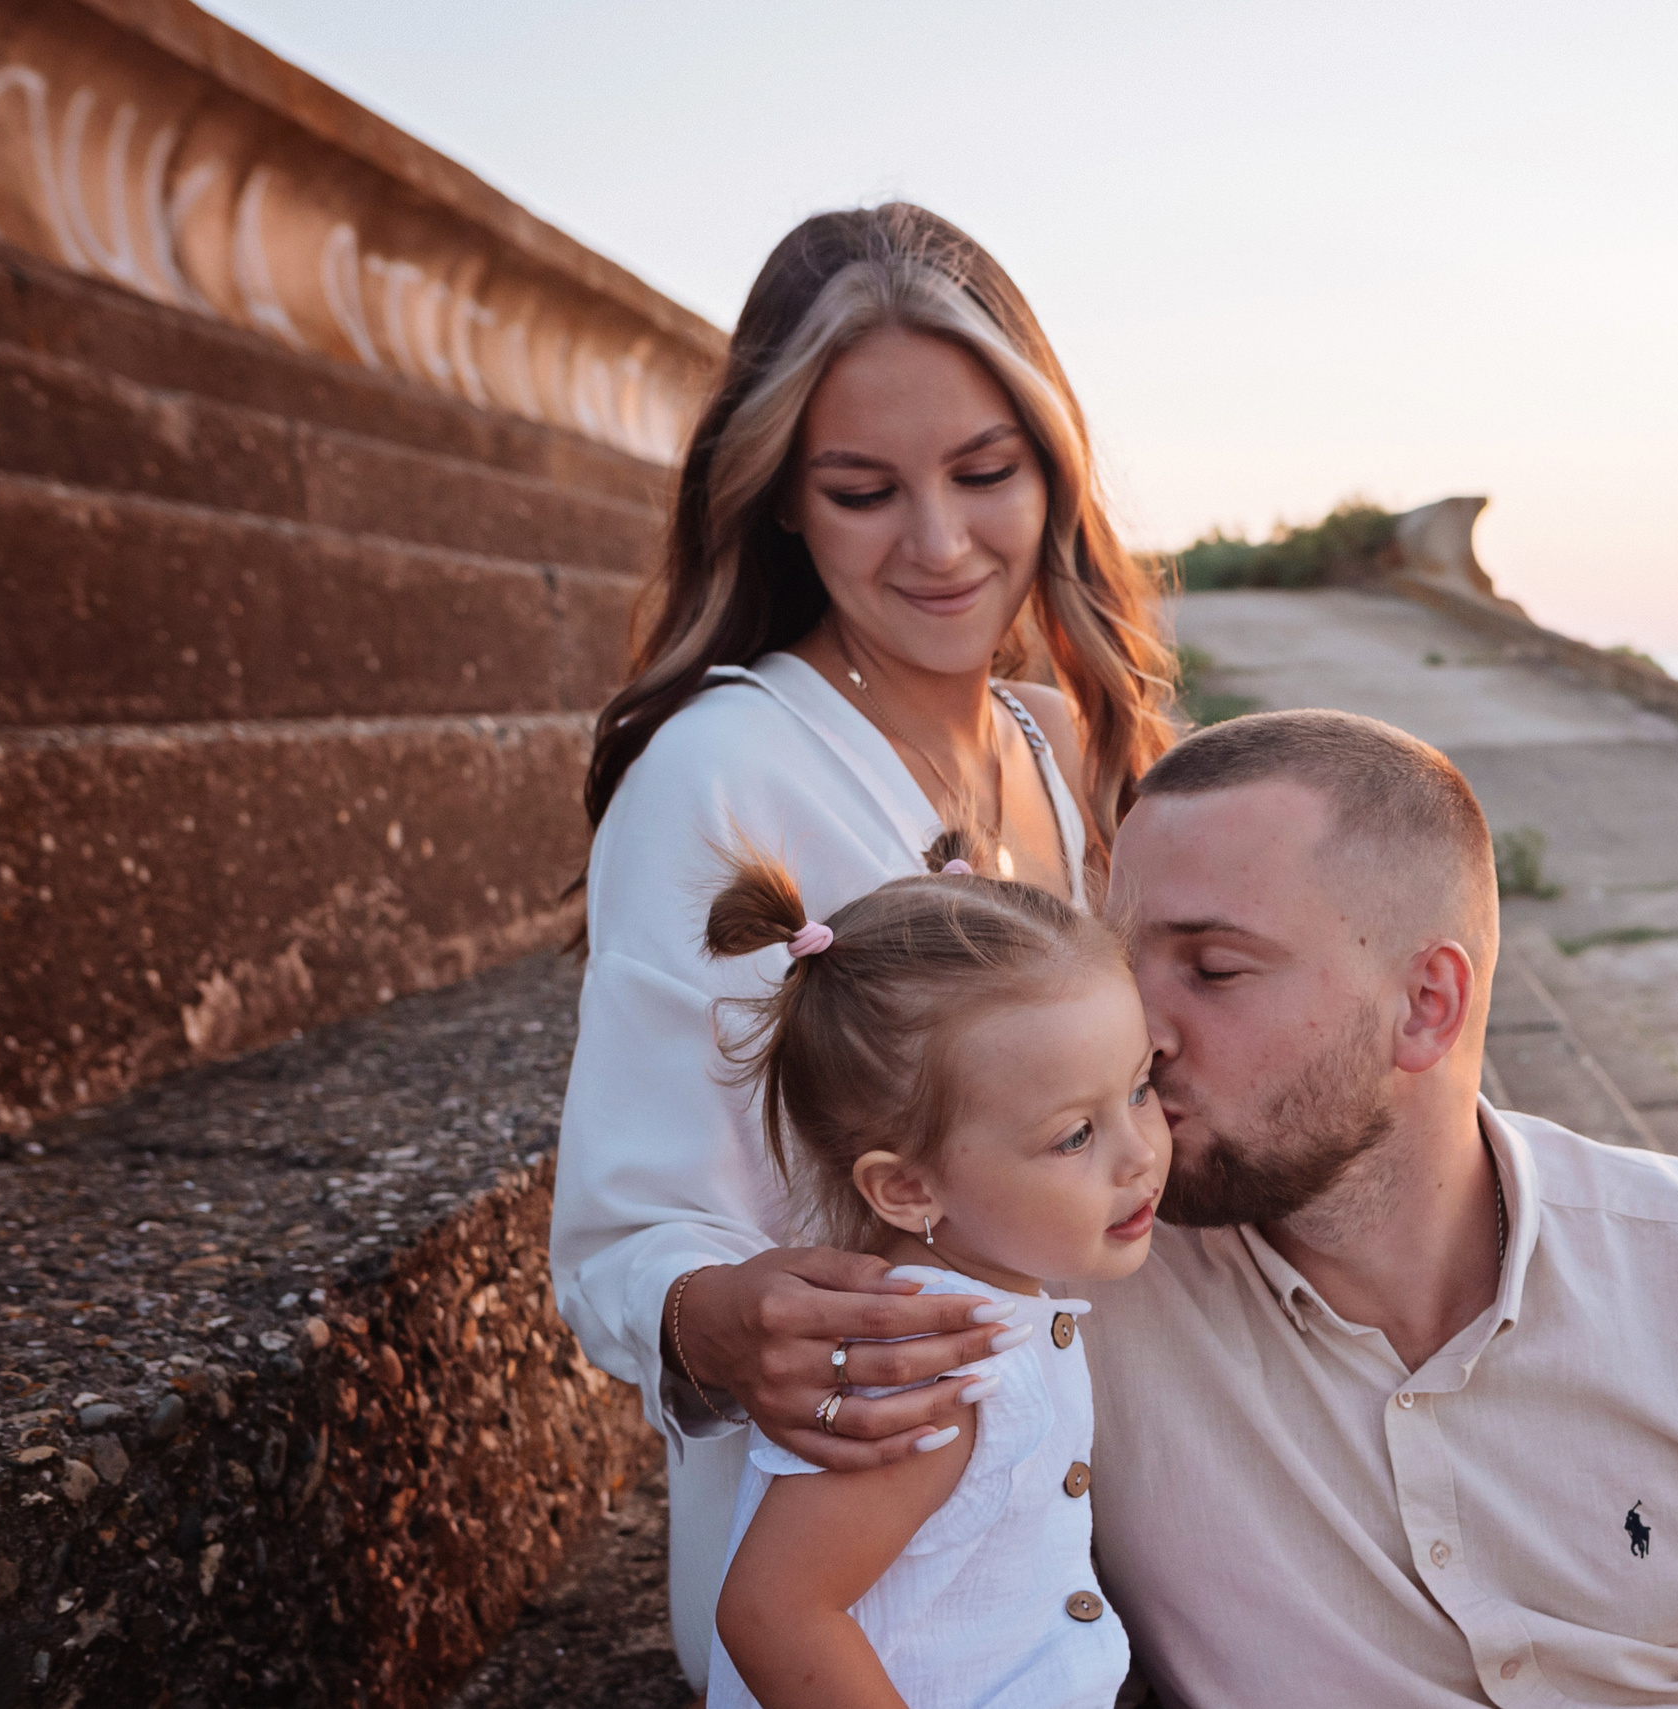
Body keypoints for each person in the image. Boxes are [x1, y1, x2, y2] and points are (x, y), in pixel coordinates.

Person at [821, 709, 1678, 1706]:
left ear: (1426, 1004)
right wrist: (715, 1317)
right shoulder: (1056, 1299)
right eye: (1122, 959)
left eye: (1213, 966)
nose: (1141, 1028)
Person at [548, 203, 1176, 1686]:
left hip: (1077, 1559)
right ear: (778, 500)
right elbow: (625, 1241)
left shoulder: (1062, 739)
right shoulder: (718, 777)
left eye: (984, 472)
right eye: (863, 490)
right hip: (865, 1626)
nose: (942, 544)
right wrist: (718, 1318)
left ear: (1053, 467)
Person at [694, 850, 1166, 1709]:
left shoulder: (984, 1306)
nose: (1141, 1155)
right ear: (908, 1187)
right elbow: (774, 1610)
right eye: (1073, 1136)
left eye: (1139, 1088)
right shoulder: (927, 1368)